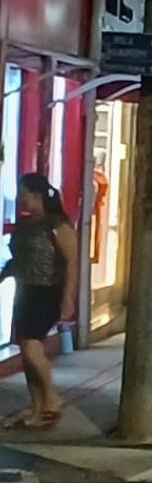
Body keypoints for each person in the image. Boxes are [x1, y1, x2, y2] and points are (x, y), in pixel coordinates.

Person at [1, 174, 79, 429]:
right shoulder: (25, 226)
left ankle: (52, 399)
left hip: (47, 291)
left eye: (25, 193)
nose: (21, 198)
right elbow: (19, 260)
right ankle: (37, 410)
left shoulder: (57, 225)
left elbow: (72, 263)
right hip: (25, 289)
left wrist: (68, 298)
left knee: (32, 347)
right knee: (26, 351)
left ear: (37, 195)